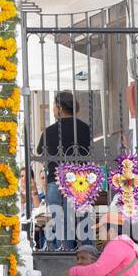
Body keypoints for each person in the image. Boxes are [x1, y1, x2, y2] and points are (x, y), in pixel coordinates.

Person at [36, 90, 92, 250]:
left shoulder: (50, 131)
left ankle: (64, 253)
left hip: (56, 181)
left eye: (54, 105)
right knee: (82, 220)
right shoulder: (84, 129)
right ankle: (87, 254)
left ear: (60, 107)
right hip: (79, 182)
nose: (53, 108)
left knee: (60, 222)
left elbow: (40, 152)